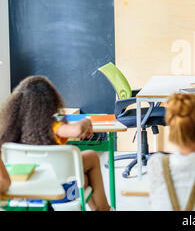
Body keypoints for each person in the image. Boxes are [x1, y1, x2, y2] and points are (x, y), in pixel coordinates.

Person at [0, 76, 111, 211]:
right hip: (58, 193)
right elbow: (77, 130)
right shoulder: (53, 127)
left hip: (23, 195)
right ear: (50, 103)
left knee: (85, 178)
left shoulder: (10, 130)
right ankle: (103, 208)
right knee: (91, 157)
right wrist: (87, 121)